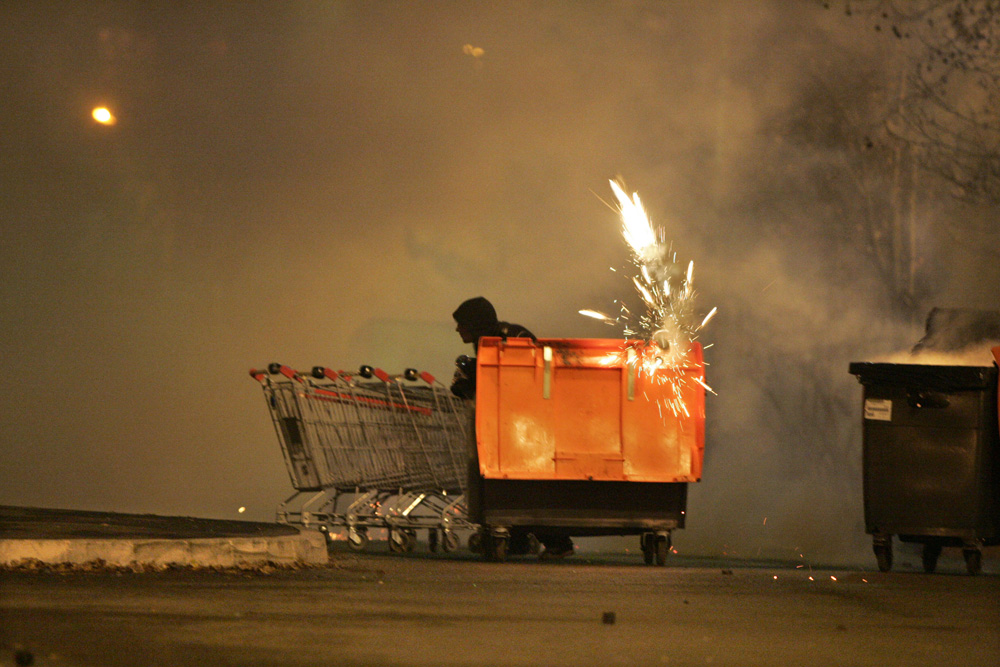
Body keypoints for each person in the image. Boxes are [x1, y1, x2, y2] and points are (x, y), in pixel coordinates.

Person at [451, 297, 574, 560]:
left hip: (530, 425)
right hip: (513, 424)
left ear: (475, 322)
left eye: (461, 323)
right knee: (512, 486)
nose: (457, 329)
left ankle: (557, 542)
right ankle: (517, 540)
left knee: (524, 486)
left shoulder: (512, 337)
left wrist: (477, 374)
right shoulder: (486, 341)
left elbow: (522, 376)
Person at [450, 296, 536, 399]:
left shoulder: (515, 337)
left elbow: (518, 379)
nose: (457, 329)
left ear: (474, 324)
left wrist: (474, 383)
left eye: (461, 324)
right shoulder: (482, 342)